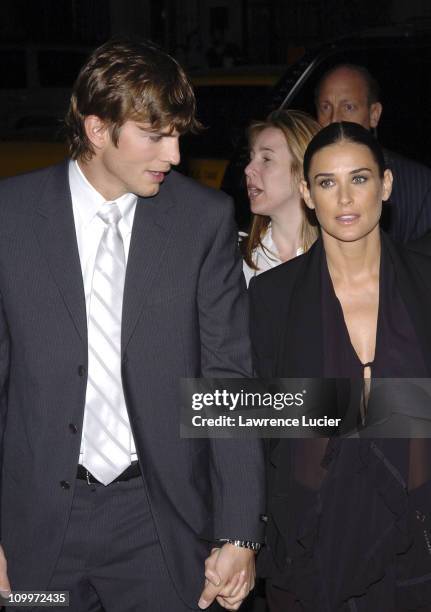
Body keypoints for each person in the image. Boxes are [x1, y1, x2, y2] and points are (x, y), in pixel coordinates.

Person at [0, 38, 265, 612]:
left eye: (177, 135)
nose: (173, 154)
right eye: (156, 135)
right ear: (98, 130)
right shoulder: (10, 217)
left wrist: (240, 531)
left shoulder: (202, 220)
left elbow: (227, 380)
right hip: (37, 531)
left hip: (156, 525)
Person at [250, 122, 431, 611]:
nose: (345, 199)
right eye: (328, 182)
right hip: (312, 550)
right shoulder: (270, 298)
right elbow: (249, 425)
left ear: (386, 185)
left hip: (418, 552)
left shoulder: (424, 280)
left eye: (360, 179)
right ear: (307, 193)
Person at [315, 63, 431, 243]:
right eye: (325, 107)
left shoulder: (418, 185)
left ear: (374, 114)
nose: (334, 119)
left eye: (348, 107)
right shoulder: (303, 177)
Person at [242, 110, 320, 286]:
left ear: (302, 170)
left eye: (266, 159)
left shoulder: (338, 259)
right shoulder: (233, 256)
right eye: (251, 158)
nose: (248, 169)